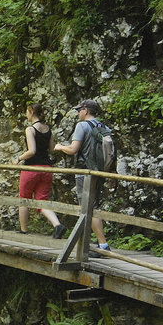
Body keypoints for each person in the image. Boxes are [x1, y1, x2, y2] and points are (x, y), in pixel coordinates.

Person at [54, 98, 109, 250]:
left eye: (79, 110)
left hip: (85, 171)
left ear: (85, 110)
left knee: (87, 208)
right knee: (94, 206)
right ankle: (94, 244)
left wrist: (59, 147)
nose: (78, 113)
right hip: (99, 171)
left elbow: (73, 149)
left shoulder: (82, 125)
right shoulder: (102, 125)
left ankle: (102, 245)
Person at [15, 103, 65, 239]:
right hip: (47, 169)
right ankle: (57, 225)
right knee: (41, 200)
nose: (26, 114)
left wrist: (18, 158)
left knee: (23, 199)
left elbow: (32, 151)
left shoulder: (30, 130)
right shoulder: (48, 129)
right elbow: (51, 149)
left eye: (27, 111)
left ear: (31, 112)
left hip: (31, 168)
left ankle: (24, 231)